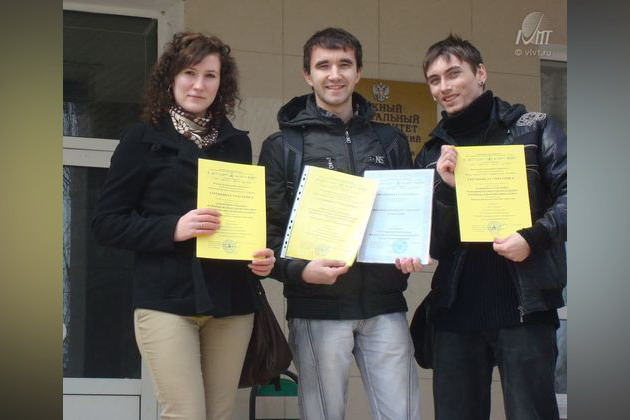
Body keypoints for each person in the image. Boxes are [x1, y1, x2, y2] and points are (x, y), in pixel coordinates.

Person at [92, 32, 275, 420]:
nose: (199, 84)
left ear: (222, 83)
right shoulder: (140, 140)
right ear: (171, 77)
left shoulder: (236, 144)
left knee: (219, 415)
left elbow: (240, 219)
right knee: (186, 414)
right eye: (189, 73)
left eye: (210, 75)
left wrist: (258, 257)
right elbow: (106, 223)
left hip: (231, 299)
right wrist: (172, 228)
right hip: (166, 299)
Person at [258, 27, 422, 420]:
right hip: (317, 307)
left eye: (344, 64)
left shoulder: (390, 141)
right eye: (323, 66)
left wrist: (412, 249)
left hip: (385, 305)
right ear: (307, 74)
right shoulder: (283, 146)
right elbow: (267, 234)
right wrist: (300, 271)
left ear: (358, 71)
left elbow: (411, 215)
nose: (335, 74)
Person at [415, 34, 566, 420]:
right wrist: (446, 191)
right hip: (455, 313)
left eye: (454, 74)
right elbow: (431, 241)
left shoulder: (534, 129)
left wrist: (533, 238)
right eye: (434, 80)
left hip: (525, 309)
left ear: (480, 73)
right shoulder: (431, 153)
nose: (444, 87)